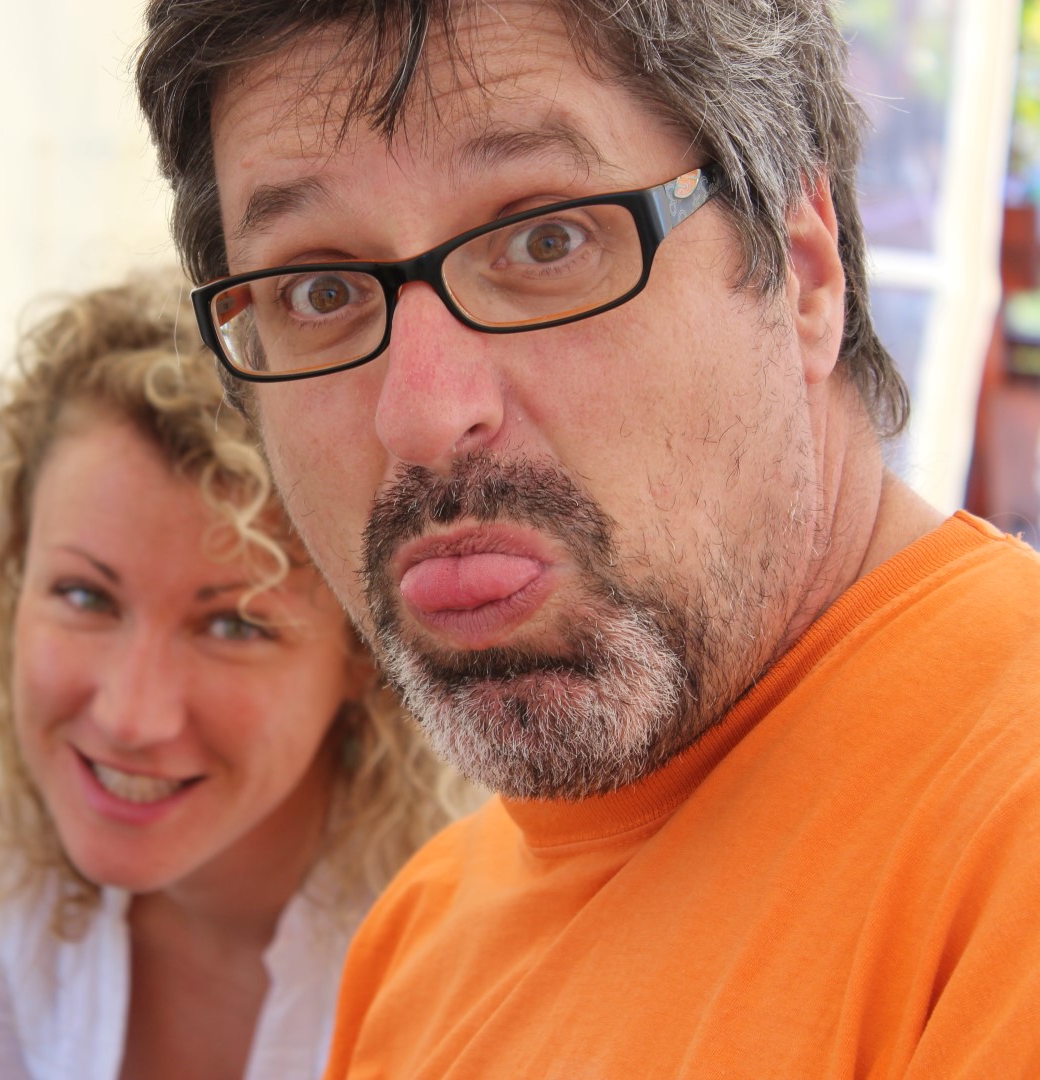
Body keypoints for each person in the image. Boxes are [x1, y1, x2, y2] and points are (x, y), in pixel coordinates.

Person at [135, 2, 1040, 1076]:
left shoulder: (1008, 826)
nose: (421, 415)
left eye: (546, 240)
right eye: (317, 290)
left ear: (801, 270)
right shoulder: (418, 941)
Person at [0, 275, 475, 1080]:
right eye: (84, 596)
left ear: (368, 653)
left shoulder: (469, 958)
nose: (130, 717)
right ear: (11, 584)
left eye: (233, 625)